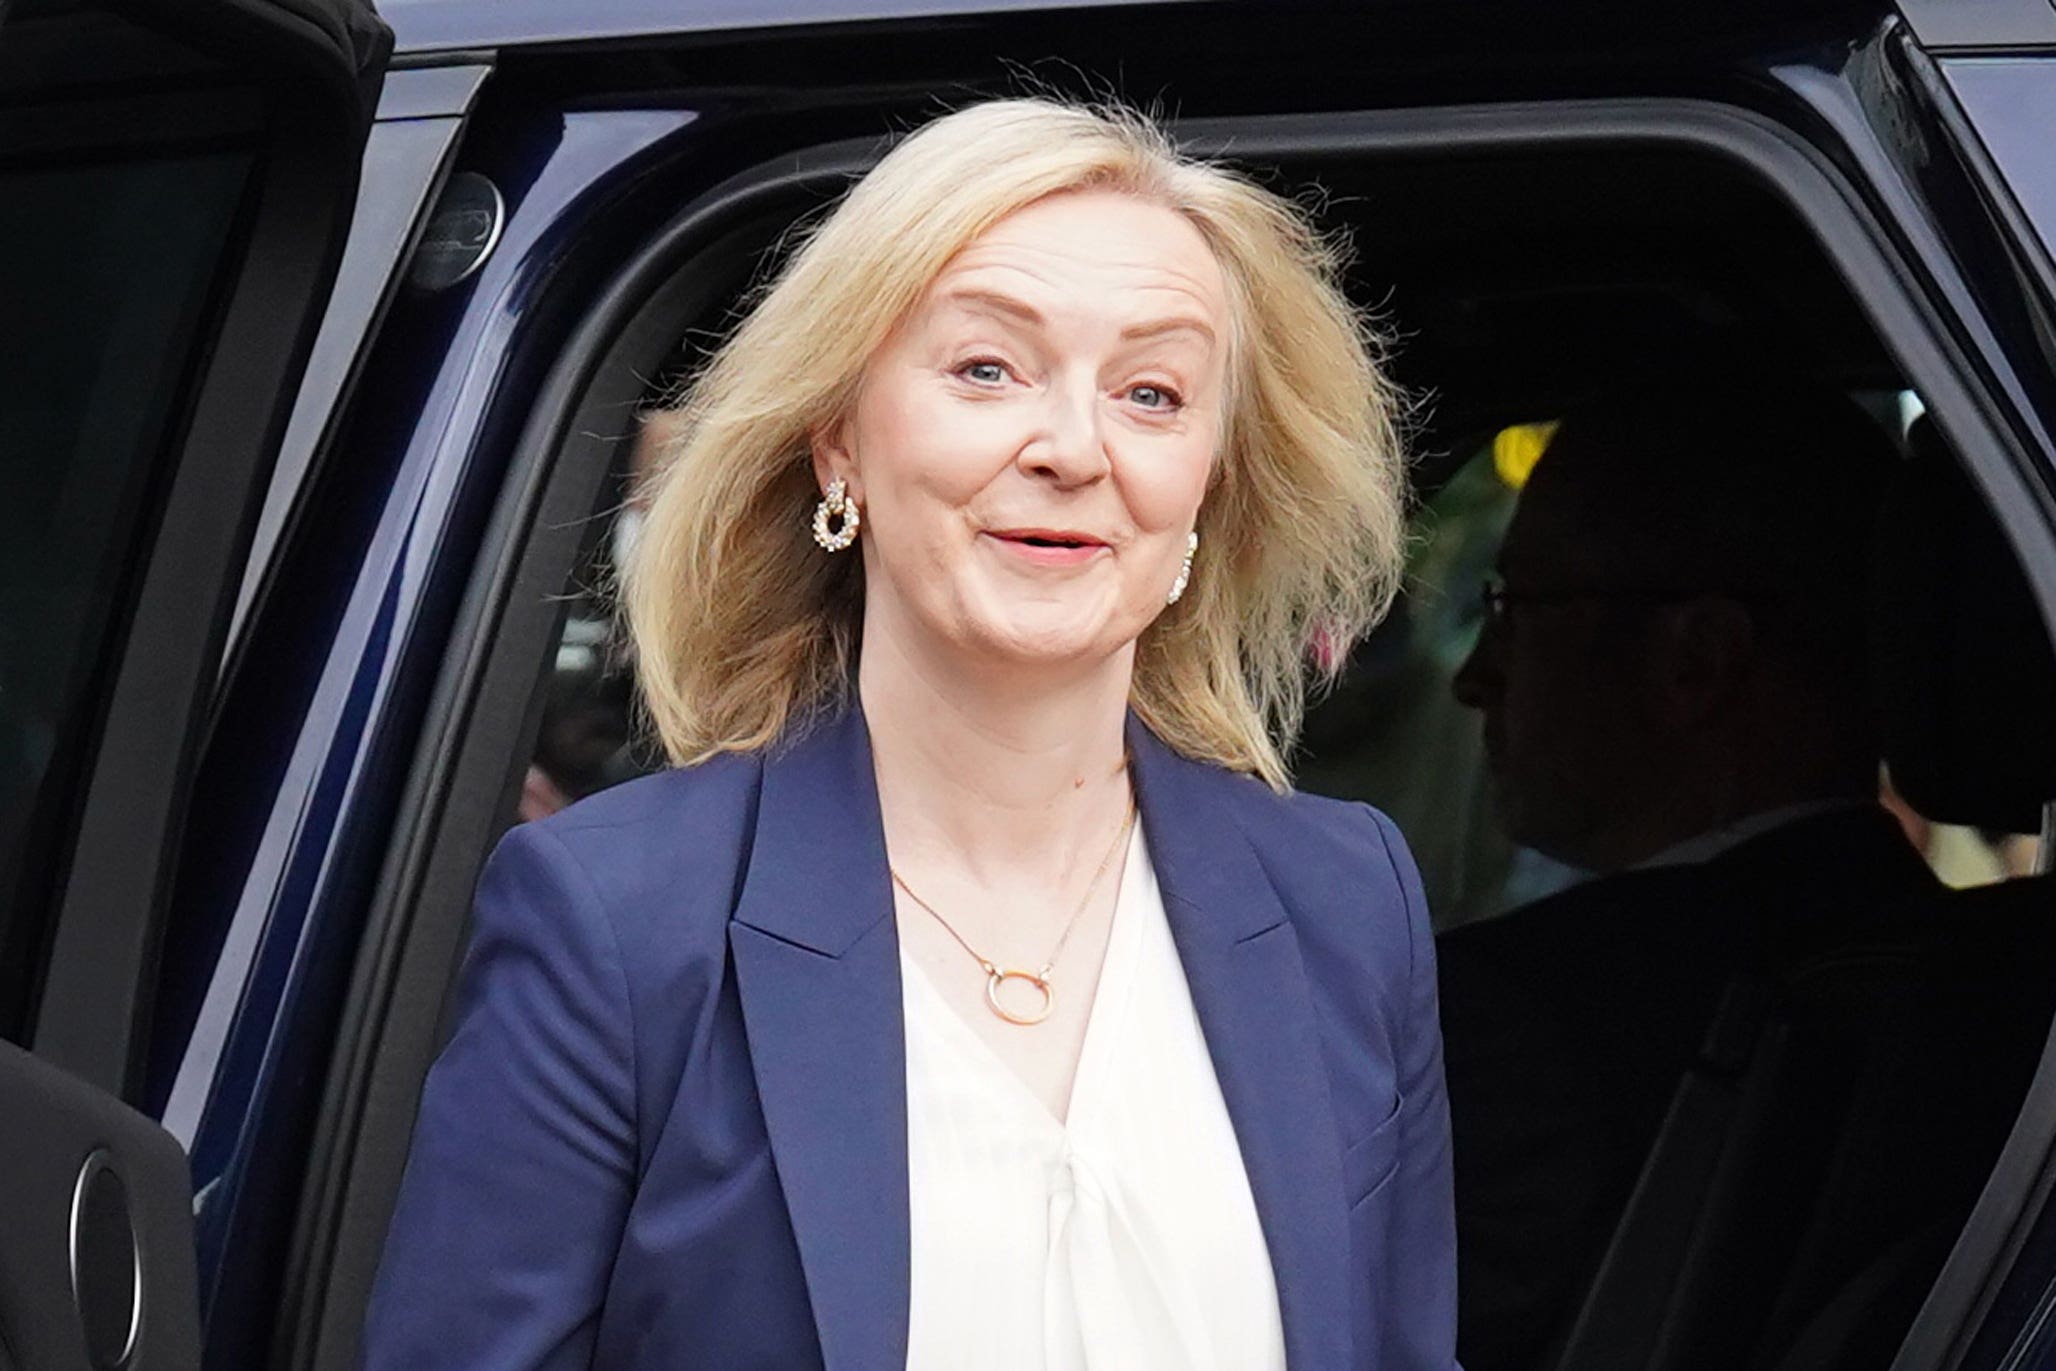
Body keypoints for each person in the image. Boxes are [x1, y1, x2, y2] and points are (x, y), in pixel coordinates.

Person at [363, 97, 1458, 1370]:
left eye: (1153, 393)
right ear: (839, 444)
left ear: (1209, 479)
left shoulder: (1346, 905)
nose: (1073, 447)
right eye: (987, 369)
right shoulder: (615, 921)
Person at [1434, 380, 1935, 1370]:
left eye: (1515, 609)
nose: (1472, 676)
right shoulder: (1985, 985)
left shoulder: (1516, 1019)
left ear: (1696, 657)